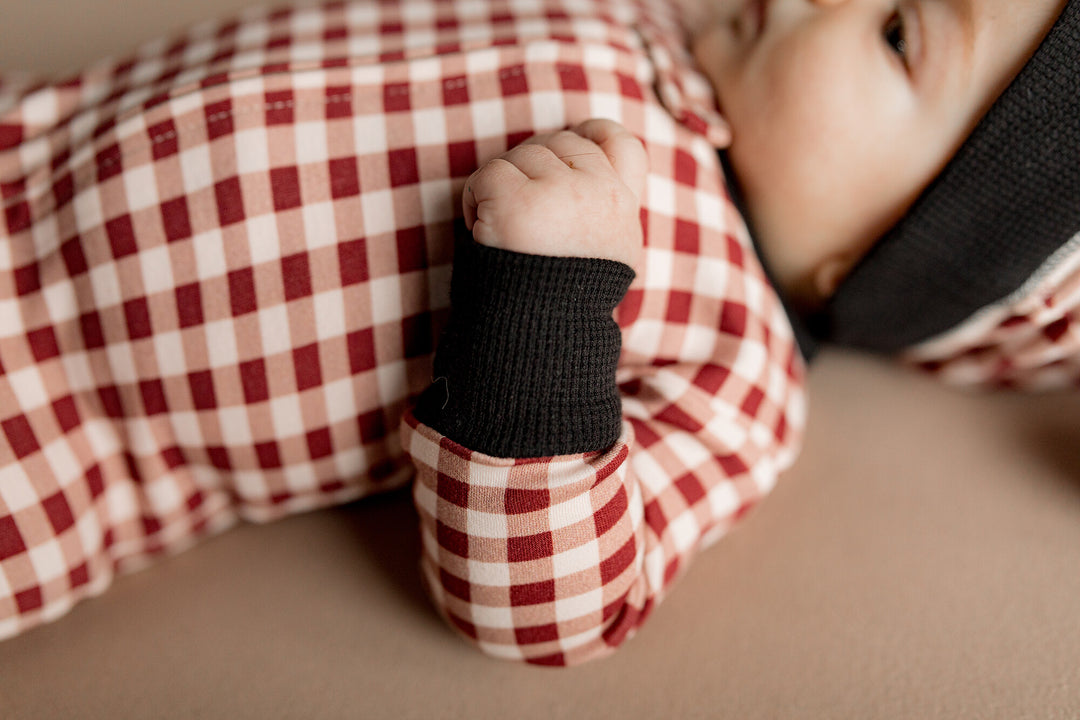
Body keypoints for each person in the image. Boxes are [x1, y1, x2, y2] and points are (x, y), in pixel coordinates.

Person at [0, 0, 1076, 665]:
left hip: (57, 423)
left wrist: (544, 304)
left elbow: (558, 608)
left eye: (895, 32)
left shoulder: (739, 371)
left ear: (893, 257)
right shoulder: (666, 22)